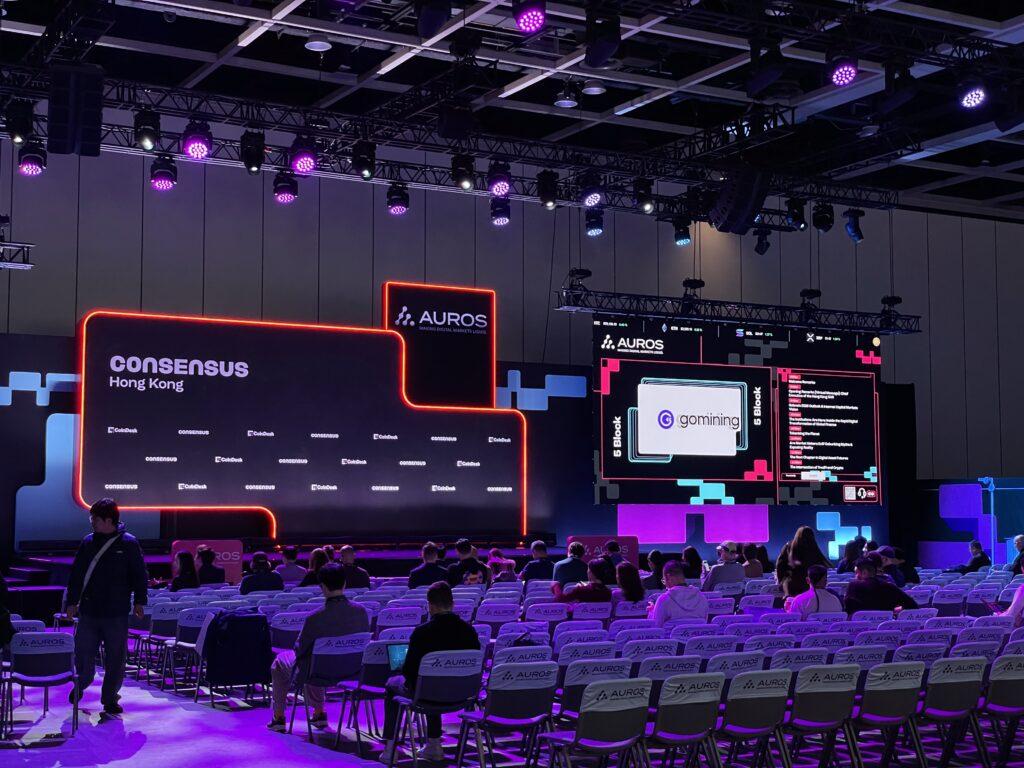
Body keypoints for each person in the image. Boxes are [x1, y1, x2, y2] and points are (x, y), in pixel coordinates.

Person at [379, 582, 480, 763]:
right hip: (462, 695)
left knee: (393, 684)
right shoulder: (470, 631)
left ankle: (390, 750)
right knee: (434, 681)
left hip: (429, 693)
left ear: (430, 606)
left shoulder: (422, 632)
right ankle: (434, 744)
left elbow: (409, 671)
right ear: (452, 604)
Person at [66, 499, 148, 715]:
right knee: (83, 653)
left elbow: (139, 574)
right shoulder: (88, 542)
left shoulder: (129, 543)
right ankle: (81, 683)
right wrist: (72, 602)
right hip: (89, 611)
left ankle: (110, 698)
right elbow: (77, 574)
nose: (91, 521)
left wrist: (140, 601)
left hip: (117, 613)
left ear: (108, 520)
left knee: (115, 658)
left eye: (95, 518)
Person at [267, 562, 369, 732]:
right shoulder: (362, 612)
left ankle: (279, 717)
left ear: (322, 587)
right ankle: (319, 712)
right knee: (316, 659)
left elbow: (300, 650)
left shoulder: (315, 617)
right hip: (353, 671)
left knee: (281, 662)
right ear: (344, 584)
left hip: (319, 672)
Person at [844, 556, 918, 614]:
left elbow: (848, 610)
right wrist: (892, 612)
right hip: (886, 628)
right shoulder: (889, 586)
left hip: (860, 627)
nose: (855, 576)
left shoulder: (853, 586)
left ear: (864, 572)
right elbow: (912, 606)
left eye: (856, 573)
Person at [649, 559, 709, 626]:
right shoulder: (702, 598)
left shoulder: (663, 600)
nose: (665, 585)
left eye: (664, 580)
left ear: (668, 577)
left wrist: (652, 612)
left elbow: (656, 627)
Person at [781, 526, 832, 598]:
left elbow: (780, 567)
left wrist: (783, 583)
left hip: (792, 590)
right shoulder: (814, 551)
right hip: (811, 592)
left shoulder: (788, 547)